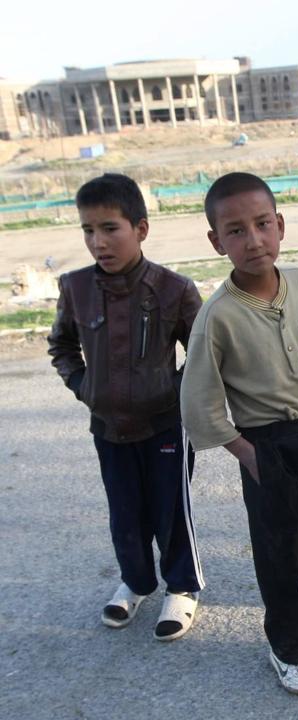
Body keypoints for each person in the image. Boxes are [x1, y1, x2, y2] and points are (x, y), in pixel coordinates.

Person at [180, 172, 298, 696]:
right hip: (267, 447)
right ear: (216, 242)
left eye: (262, 224)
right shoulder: (218, 316)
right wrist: (248, 456)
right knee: (278, 553)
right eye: (235, 231)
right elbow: (198, 402)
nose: (252, 240)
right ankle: (288, 650)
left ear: (280, 226)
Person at [47, 173, 204, 639]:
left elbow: (201, 354)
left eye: (110, 228)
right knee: (124, 512)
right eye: (88, 231)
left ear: (140, 228)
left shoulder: (173, 290)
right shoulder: (75, 288)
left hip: (164, 429)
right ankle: (135, 583)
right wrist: (85, 387)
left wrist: (171, 396)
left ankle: (182, 587)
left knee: (169, 509)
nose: (99, 242)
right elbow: (61, 346)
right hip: (108, 428)